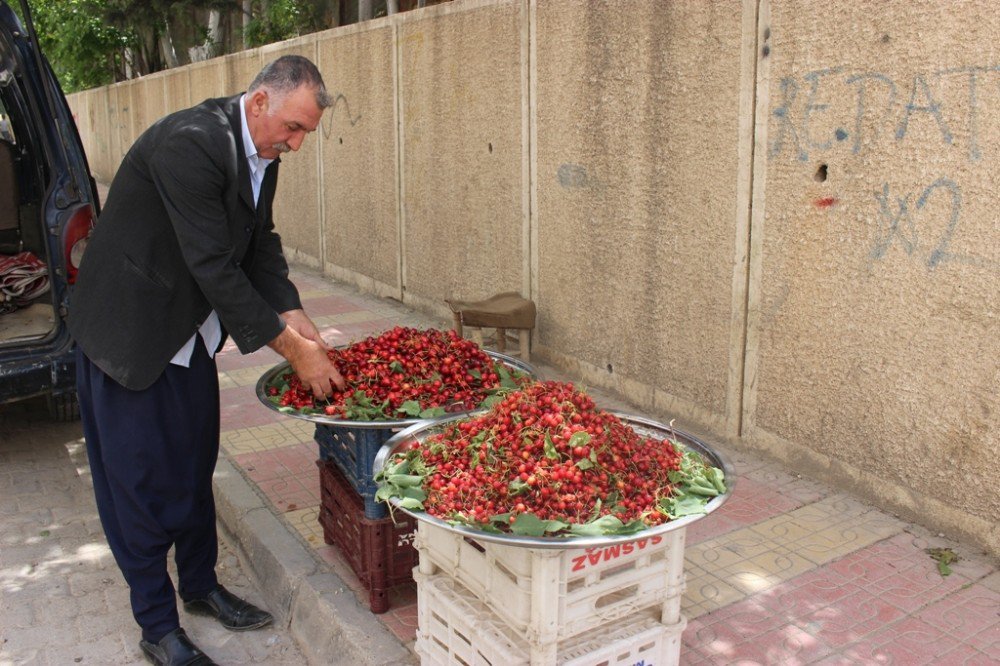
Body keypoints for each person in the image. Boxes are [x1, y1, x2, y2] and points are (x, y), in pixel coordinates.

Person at [68, 55, 345, 666]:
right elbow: (215, 265)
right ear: (258, 103)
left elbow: (259, 242)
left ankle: (201, 588)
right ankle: (157, 625)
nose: (295, 145)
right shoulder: (189, 144)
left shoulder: (262, 153)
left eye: (305, 134)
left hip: (187, 333)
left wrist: (294, 311)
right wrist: (293, 350)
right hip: (130, 334)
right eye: (292, 128)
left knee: (193, 466)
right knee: (139, 483)